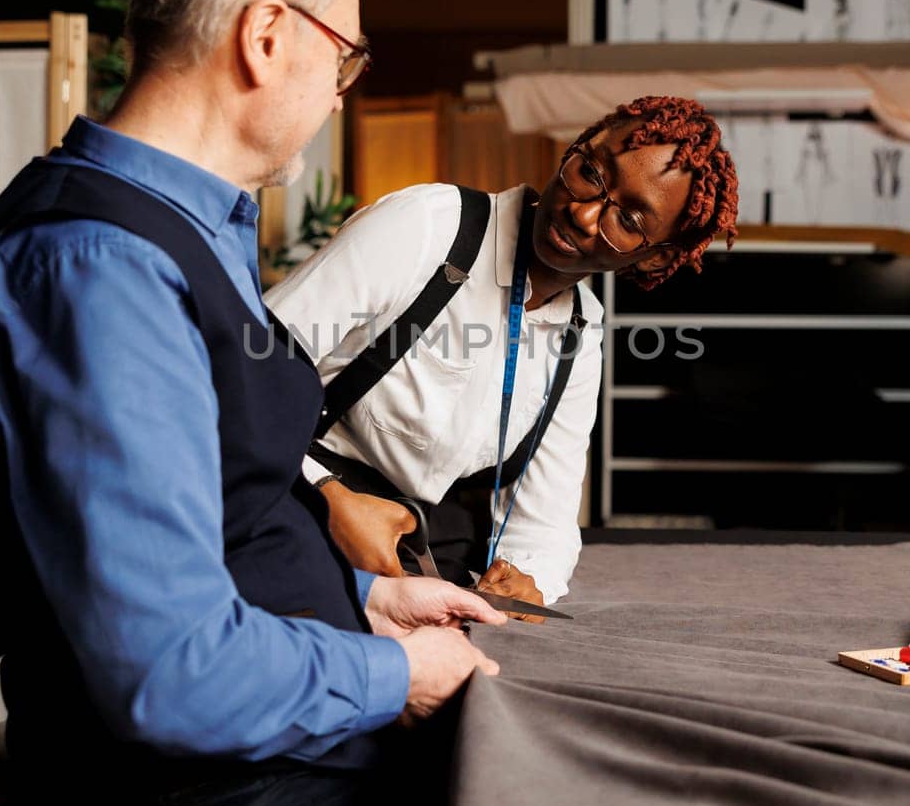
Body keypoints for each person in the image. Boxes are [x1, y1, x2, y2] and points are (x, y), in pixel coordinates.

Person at [0, 0, 504, 806]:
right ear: (267, 35)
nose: (336, 91)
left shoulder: (184, 234)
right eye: (344, 57)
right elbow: (170, 672)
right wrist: (391, 671)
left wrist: (359, 599)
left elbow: (222, 517)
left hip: (259, 774)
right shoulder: (103, 268)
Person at [267, 95, 739, 610]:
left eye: (627, 220)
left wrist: (525, 577)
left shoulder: (580, 335)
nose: (582, 213)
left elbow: (543, 522)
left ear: (654, 258)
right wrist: (326, 497)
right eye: (590, 172)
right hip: (284, 496)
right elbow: (239, 374)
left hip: (416, 551)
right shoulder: (430, 227)